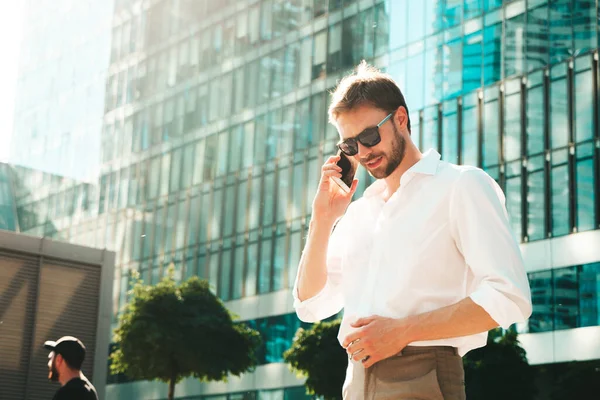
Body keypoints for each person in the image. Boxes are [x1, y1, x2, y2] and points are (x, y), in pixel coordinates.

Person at [293, 61, 532, 399]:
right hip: (355, 381)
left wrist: (401, 331)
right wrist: (322, 219)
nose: (362, 152)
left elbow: (510, 297)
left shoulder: (461, 186)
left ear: (401, 119)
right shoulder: (360, 213)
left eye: (369, 136)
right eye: (349, 146)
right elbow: (311, 304)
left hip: (423, 376)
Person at [45, 336, 99, 400]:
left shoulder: (66, 394)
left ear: (59, 359)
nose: (49, 364)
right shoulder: (90, 392)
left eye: (51, 358)